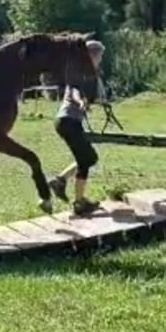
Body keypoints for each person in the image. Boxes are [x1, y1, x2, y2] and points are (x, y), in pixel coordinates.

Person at [47, 39, 107, 216]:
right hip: (68, 121)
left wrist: (99, 101)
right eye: (99, 56)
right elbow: (74, 92)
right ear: (92, 55)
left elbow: (94, 96)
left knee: (89, 158)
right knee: (85, 160)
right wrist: (81, 102)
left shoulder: (89, 73)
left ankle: (60, 181)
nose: (100, 59)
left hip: (69, 122)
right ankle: (79, 202)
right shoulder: (78, 71)